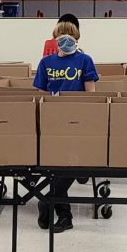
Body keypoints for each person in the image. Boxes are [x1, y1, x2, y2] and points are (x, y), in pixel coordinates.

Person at [32, 21, 99, 233]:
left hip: (78, 122)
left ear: (77, 38)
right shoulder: (46, 63)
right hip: (53, 122)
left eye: (70, 34)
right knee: (55, 170)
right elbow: (41, 96)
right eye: (61, 35)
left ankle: (47, 201)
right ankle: (64, 215)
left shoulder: (84, 61)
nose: (65, 38)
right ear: (55, 38)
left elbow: (91, 95)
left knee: (70, 166)